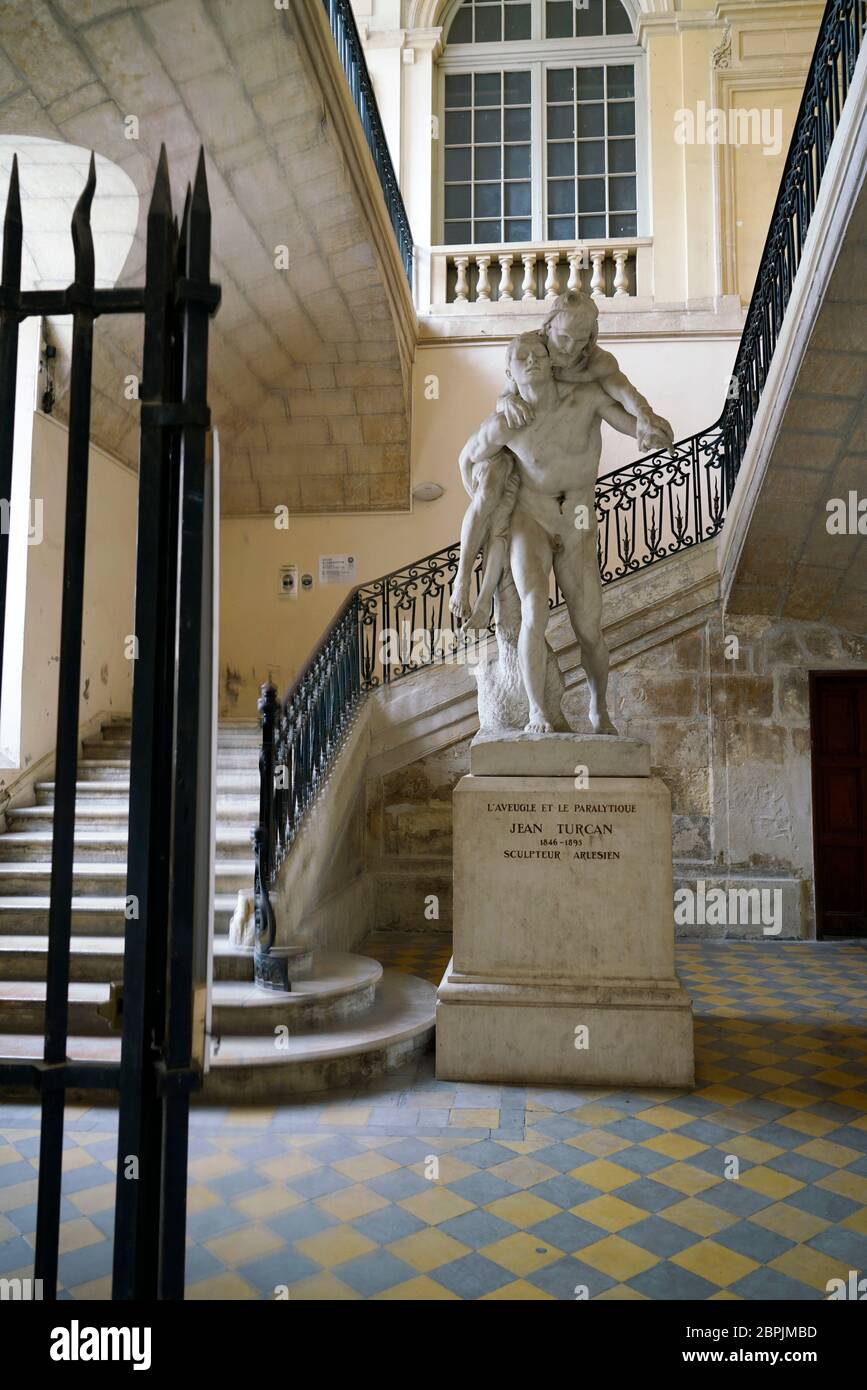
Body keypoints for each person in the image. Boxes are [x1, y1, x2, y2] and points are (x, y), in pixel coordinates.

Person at [455, 331, 650, 733]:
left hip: (577, 520)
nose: (533, 360)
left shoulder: (584, 399)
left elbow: (627, 421)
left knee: (589, 628)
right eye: (521, 356)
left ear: (552, 359)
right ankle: (536, 712)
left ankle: (599, 708)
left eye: (538, 352)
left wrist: (648, 429)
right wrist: (492, 501)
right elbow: (465, 461)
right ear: (509, 370)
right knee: (533, 609)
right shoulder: (503, 424)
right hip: (532, 517)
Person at [450, 288, 673, 630]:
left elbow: (621, 390)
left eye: (580, 340)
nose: (569, 348)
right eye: (563, 337)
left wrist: (644, 417)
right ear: (548, 328)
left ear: (590, 339)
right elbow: (513, 377)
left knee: (581, 616)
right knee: (491, 498)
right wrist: (502, 401)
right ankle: (464, 580)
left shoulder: (595, 362)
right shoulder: (534, 347)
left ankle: (482, 600)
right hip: (520, 469)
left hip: (570, 506)